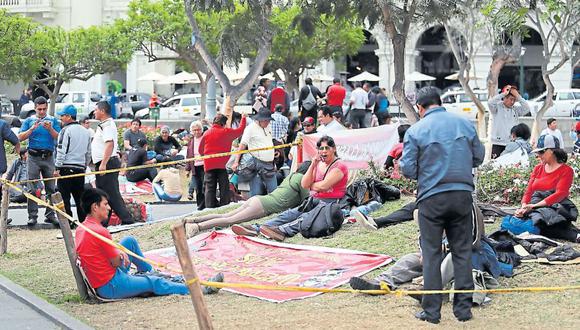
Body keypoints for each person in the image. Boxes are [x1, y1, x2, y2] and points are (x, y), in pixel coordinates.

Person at [399, 86, 485, 324]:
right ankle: (464, 309)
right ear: (439, 102)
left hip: (431, 198)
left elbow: (407, 169)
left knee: (432, 253)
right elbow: (479, 156)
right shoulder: (465, 124)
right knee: (462, 251)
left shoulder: (416, 130)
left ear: (420, 107)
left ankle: (432, 311)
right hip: (461, 195)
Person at [75, 188, 222, 299]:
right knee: (155, 282)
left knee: (129, 241)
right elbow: (116, 263)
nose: (109, 208)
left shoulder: (83, 227)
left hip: (107, 278)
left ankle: (149, 272)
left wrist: (119, 254)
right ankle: (198, 290)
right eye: (105, 204)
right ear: (95, 207)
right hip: (111, 285)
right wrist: (120, 256)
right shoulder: (100, 231)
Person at [236, 136, 348, 241]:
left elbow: (323, 186)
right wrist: (313, 164)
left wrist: (312, 185)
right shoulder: (318, 164)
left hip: (330, 203)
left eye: (326, 148)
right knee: (289, 214)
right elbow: (304, 184)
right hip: (314, 200)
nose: (323, 151)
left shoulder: (339, 166)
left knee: (305, 217)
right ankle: (258, 228)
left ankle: (281, 231)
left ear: (333, 149)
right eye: (321, 148)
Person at [186, 161, 311, 235]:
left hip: (258, 200)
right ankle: (197, 227)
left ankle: (193, 220)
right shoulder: (302, 180)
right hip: (263, 206)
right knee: (230, 220)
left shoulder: (292, 176)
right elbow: (307, 201)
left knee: (226, 216)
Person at [514, 135, 579, 243]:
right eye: (538, 152)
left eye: (542, 152)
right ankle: (572, 234)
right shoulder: (538, 168)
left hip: (555, 207)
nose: (538, 155)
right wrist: (524, 206)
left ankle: (570, 233)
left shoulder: (566, 171)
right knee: (535, 220)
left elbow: (560, 194)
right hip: (535, 207)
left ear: (552, 151)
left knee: (544, 218)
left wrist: (534, 206)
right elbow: (529, 190)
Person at [18, 96, 60, 226]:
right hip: (33, 156)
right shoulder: (29, 120)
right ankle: (32, 216)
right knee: (32, 188)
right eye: (39, 109)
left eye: (44, 109)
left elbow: (59, 137)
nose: (42, 112)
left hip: (48, 156)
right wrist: (32, 129)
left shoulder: (53, 120)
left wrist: (50, 129)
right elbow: (19, 137)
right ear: (35, 108)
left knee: (51, 188)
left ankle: (50, 215)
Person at [92, 101, 134, 225]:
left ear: (102, 111)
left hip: (107, 162)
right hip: (104, 162)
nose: (94, 112)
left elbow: (109, 144)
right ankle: (103, 222)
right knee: (104, 195)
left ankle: (127, 219)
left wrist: (103, 163)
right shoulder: (104, 125)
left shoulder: (107, 125)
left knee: (111, 194)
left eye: (96, 110)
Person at [199, 113, 247, 208]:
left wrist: (205, 156)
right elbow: (240, 130)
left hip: (209, 164)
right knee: (224, 187)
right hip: (221, 165)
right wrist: (244, 118)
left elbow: (200, 149)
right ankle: (224, 206)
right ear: (224, 123)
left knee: (209, 187)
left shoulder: (207, 133)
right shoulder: (226, 131)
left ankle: (209, 208)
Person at [54, 105, 92, 223]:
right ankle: (84, 223)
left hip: (65, 168)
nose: (61, 118)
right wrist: (84, 165)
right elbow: (89, 152)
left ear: (69, 117)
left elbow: (61, 150)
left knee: (65, 198)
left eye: (62, 116)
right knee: (79, 198)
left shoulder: (65, 130)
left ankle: (68, 223)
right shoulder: (86, 132)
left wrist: (57, 168)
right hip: (80, 168)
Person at [232, 108, 278, 197]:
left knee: (274, 191)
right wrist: (236, 162)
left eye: (268, 120)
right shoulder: (250, 128)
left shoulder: (268, 126)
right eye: (266, 121)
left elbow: (269, 141)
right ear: (260, 120)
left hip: (269, 164)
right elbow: (242, 145)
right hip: (256, 163)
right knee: (256, 193)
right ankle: (255, 210)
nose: (268, 122)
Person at [488, 85, 530, 158]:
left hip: (512, 143)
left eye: (514, 100)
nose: (512, 102)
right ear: (504, 98)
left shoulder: (515, 109)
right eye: (511, 99)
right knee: (496, 165)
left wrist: (518, 96)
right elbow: (490, 103)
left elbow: (526, 108)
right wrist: (503, 93)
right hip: (498, 143)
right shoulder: (497, 107)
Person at [185, 121, 205, 209]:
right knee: (198, 188)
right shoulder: (191, 141)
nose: (197, 132)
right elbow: (189, 155)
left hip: (204, 165)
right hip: (195, 166)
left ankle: (207, 204)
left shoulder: (205, 138)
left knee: (206, 186)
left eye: (198, 130)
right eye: (194, 130)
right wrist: (187, 169)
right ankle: (200, 206)